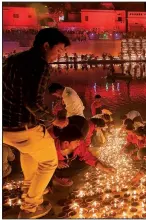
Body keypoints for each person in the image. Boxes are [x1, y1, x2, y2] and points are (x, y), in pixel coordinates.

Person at [3, 28, 70, 218]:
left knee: (29, 152)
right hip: (22, 126)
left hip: (4, 127)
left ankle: (27, 189)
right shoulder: (40, 65)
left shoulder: (12, 60)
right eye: (58, 50)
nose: (59, 56)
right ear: (46, 45)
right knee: (49, 162)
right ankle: (30, 207)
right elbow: (32, 103)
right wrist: (55, 120)